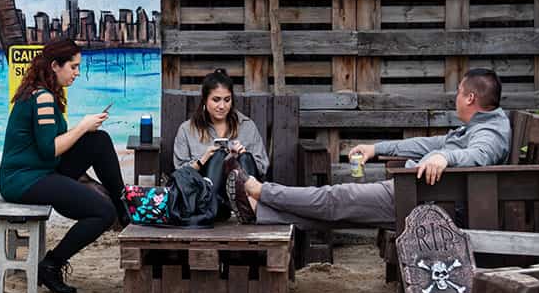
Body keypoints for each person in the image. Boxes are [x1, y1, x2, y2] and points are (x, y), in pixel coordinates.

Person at [226, 68, 510, 228]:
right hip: (419, 194)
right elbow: (427, 143)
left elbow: (478, 156)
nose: (456, 98)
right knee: (336, 209)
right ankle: (260, 210)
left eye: (459, 92)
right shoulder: (476, 126)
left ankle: (260, 191)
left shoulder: (491, 132)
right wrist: (377, 147)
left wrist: (444, 156)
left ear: (471, 97)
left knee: (336, 198)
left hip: (423, 200)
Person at [0, 39, 130, 293]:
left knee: (98, 141)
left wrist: (86, 131)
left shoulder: (45, 93)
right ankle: (51, 264)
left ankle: (124, 205)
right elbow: (50, 149)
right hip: (24, 179)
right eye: (74, 66)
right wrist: (81, 127)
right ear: (55, 66)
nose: (77, 73)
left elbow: (51, 146)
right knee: (103, 212)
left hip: (41, 169)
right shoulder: (43, 97)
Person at [173, 69, 268, 218]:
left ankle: (245, 210)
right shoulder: (187, 129)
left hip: (242, 192)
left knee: (246, 157)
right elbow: (180, 173)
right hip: (206, 196)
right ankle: (213, 208)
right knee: (217, 156)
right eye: (216, 99)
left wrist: (240, 156)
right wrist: (203, 160)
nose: (222, 106)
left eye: (227, 99)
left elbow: (262, 167)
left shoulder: (247, 126)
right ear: (205, 99)